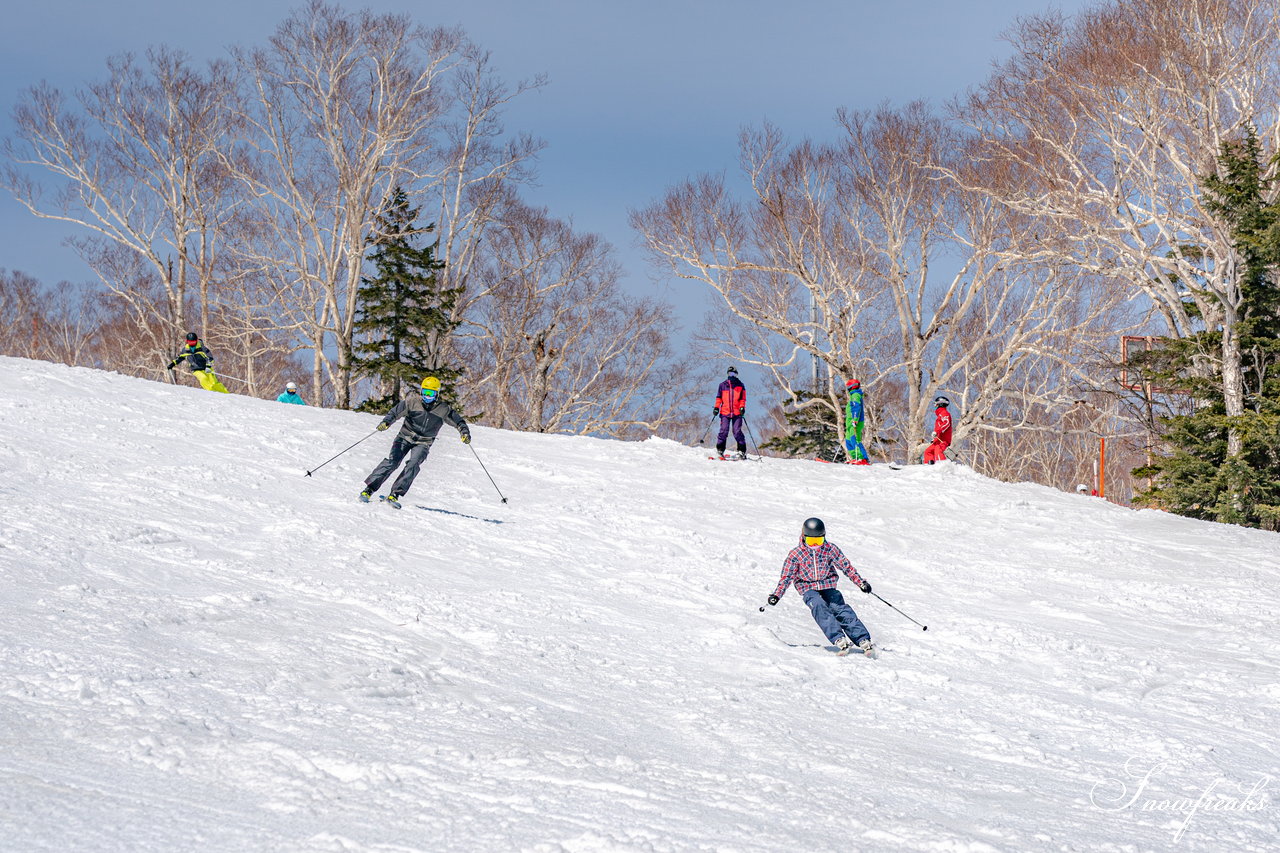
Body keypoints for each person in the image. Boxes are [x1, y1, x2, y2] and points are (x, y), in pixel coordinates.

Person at [765, 517, 875, 656]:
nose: (815, 544)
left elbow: (846, 566)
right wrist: (776, 595)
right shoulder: (796, 554)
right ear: (804, 537)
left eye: (819, 540)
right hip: (807, 587)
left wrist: (861, 582)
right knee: (818, 605)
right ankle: (838, 639)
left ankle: (862, 639)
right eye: (811, 541)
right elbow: (786, 577)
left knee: (839, 608)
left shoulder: (829, 549)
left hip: (827, 584)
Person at [360, 376, 470, 509]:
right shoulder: (412, 402)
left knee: (413, 465)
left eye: (431, 393)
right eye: (425, 392)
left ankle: (395, 494)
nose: (427, 396)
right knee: (392, 462)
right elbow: (395, 412)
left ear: (437, 394)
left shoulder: (443, 409)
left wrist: (464, 433)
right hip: (404, 437)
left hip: (423, 443)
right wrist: (386, 422)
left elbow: (459, 422)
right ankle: (369, 489)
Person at [713, 366, 747, 460]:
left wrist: (742, 407)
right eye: (730, 374)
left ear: (736, 375)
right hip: (725, 412)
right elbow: (719, 398)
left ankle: (742, 451)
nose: (731, 375)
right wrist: (716, 407)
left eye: (733, 374)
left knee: (737, 431)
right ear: (727, 374)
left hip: (737, 413)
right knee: (723, 430)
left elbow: (742, 399)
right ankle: (720, 450)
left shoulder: (740, 385)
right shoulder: (722, 385)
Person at [843, 379, 870, 465]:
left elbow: (856, 408)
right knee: (848, 440)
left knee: (855, 439)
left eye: (848, 387)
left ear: (851, 387)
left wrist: (855, 419)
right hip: (850, 423)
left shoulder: (855, 395)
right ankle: (855, 457)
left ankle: (862, 458)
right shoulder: (853, 396)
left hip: (856, 422)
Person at [923, 395, 953, 464]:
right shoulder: (940, 415)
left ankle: (942, 466)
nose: (935, 406)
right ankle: (929, 466)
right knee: (928, 451)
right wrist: (934, 439)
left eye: (936, 404)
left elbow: (947, 423)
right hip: (938, 440)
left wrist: (937, 432)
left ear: (940, 404)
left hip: (943, 440)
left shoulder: (944, 413)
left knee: (938, 450)